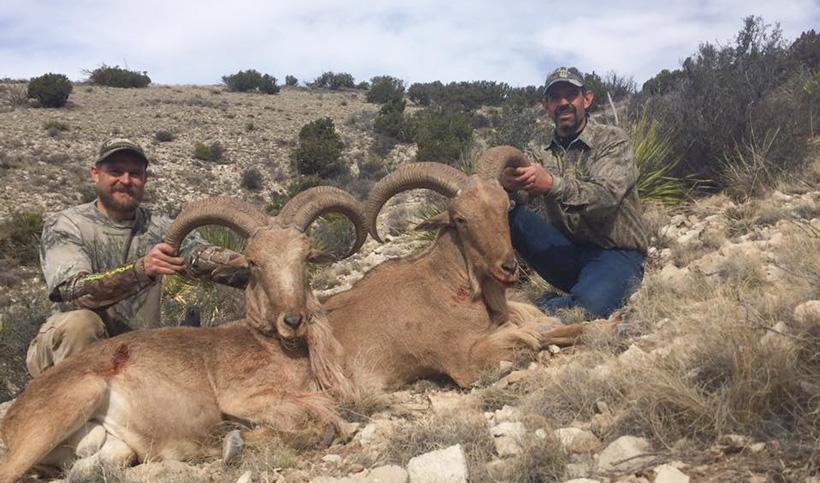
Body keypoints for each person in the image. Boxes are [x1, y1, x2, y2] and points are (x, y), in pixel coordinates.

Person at [27, 138, 248, 377]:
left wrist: (252, 266)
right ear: (95, 173)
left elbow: (197, 253)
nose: (125, 180)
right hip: (68, 349)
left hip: (136, 351)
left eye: (134, 173)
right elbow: (74, 293)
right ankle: (75, 399)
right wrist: (141, 271)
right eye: (115, 171)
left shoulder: (160, 227)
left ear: (144, 179)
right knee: (80, 324)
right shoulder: (66, 224)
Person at [501, 67, 649, 320]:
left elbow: (606, 196)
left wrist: (552, 185)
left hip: (617, 253)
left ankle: (536, 312)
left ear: (587, 99)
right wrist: (509, 186)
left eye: (570, 95)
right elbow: (522, 196)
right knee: (509, 215)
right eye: (555, 97)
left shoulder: (612, 140)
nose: (563, 103)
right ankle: (481, 292)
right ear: (546, 106)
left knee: (587, 308)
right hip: (567, 254)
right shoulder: (539, 152)